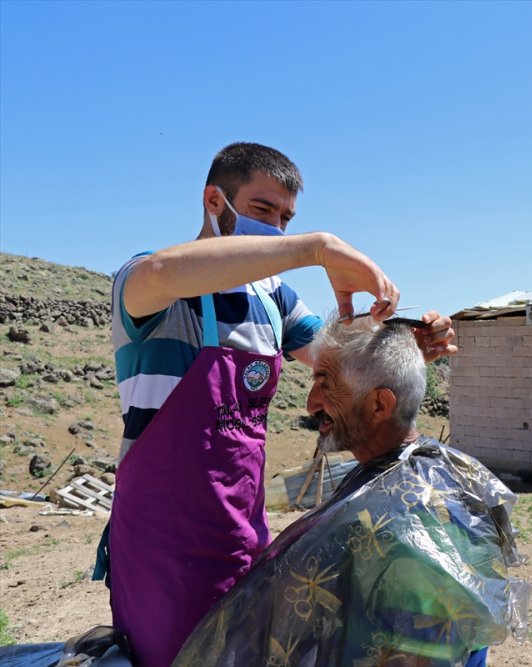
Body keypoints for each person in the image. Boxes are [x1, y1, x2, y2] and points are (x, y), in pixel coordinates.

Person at [103, 142, 457, 667]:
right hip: (162, 550)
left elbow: (342, 354)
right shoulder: (156, 287)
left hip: (243, 534)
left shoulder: (274, 303)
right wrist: (317, 248)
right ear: (214, 201)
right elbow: (159, 272)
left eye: (286, 219)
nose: (276, 229)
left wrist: (405, 344)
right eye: (262, 211)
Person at [172, 317, 529, 666]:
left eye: (326, 384)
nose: (311, 403)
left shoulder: (405, 526)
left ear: (379, 405)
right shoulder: (447, 475)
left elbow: (419, 652)